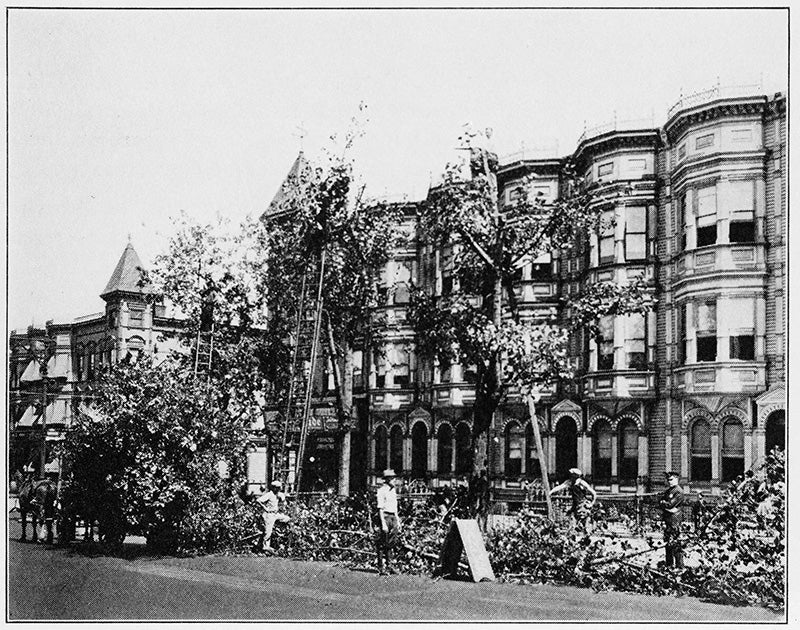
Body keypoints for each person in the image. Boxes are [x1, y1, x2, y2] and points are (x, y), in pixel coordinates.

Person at [549, 467, 597, 532]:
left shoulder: (582, 483)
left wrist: (591, 504)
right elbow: (560, 487)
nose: (570, 476)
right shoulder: (569, 482)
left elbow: (594, 493)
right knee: (572, 520)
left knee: (584, 521)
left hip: (582, 504)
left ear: (576, 476)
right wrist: (551, 492)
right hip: (575, 504)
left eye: (572, 475)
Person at [376, 468, 401, 575]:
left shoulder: (393, 491)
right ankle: (381, 567)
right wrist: (383, 523)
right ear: (387, 479)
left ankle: (389, 566)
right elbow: (380, 508)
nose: (394, 480)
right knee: (382, 542)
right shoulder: (381, 491)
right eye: (393, 478)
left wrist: (398, 520)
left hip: (393, 517)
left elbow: (395, 507)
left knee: (391, 542)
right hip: (385, 516)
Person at [659, 471, 685, 569]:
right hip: (668, 519)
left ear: (677, 479)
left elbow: (670, 504)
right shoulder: (669, 491)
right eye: (668, 480)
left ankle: (679, 566)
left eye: (671, 479)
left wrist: (664, 504)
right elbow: (661, 502)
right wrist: (664, 504)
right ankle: (669, 565)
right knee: (668, 543)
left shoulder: (678, 491)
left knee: (675, 543)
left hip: (675, 520)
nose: (669, 482)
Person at [257, 480, 290, 552]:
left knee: (287, 518)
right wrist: (265, 508)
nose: (278, 489)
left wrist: (283, 498)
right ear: (273, 488)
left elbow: (284, 502)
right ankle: (265, 547)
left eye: (279, 488)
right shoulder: (269, 494)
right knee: (268, 532)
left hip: (275, 514)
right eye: (277, 488)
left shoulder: (278, 494)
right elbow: (259, 500)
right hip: (269, 514)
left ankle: (279, 532)